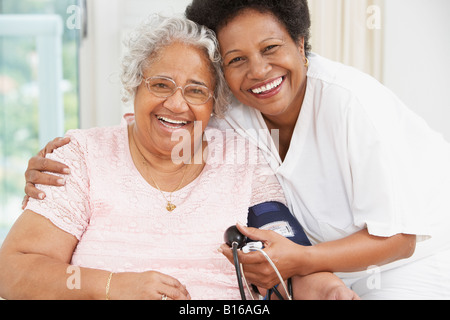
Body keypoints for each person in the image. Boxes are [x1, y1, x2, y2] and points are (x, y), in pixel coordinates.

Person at [22, 0, 450, 299]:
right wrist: (72, 160)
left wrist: (306, 269)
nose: (259, 71)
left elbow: (400, 237)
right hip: (316, 263)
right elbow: (164, 124)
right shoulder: (233, 112)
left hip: (403, 261)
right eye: (237, 59)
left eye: (271, 49)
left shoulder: (352, 103)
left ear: (301, 44)